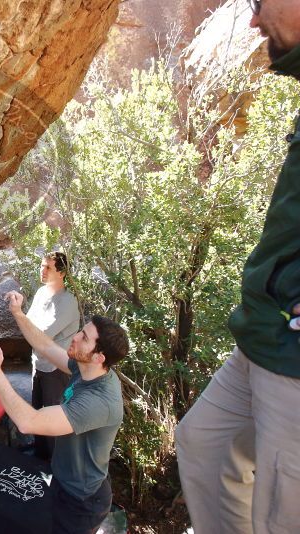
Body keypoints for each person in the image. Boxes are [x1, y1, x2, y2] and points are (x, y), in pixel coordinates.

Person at [175, 3, 300, 533]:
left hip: (293, 355)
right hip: (262, 335)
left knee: (282, 515)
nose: (252, 21)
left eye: (258, 3)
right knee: (205, 444)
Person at [0, 290, 129, 534]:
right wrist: (18, 313)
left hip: (81, 501)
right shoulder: (87, 368)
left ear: (99, 356)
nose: (75, 337)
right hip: (64, 482)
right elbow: (44, 345)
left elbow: (28, 422)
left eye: (84, 337)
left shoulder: (98, 402)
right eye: (81, 330)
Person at [26, 252, 80, 461]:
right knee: (38, 413)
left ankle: (56, 466)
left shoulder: (67, 302)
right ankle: (39, 460)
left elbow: (41, 333)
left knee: (53, 419)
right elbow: (27, 326)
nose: (43, 270)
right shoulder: (41, 293)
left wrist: (31, 328)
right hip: (38, 363)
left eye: (48, 267)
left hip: (56, 369)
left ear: (63, 272)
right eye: (42, 265)